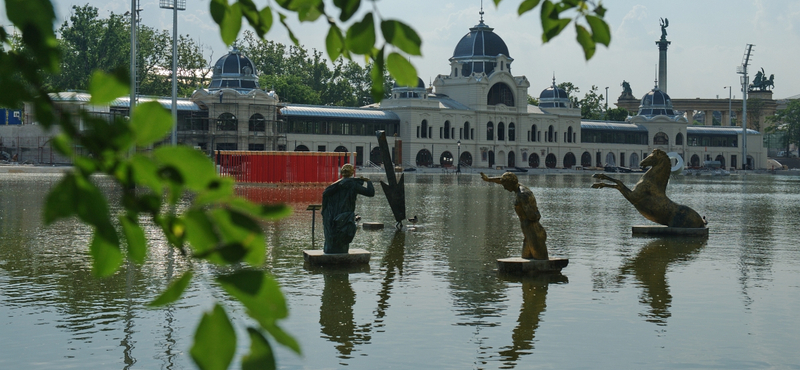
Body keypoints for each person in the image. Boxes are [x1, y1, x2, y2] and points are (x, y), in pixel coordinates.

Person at [481, 172, 548, 260]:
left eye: (505, 185)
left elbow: (531, 216)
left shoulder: (523, 195)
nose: (504, 188)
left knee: (540, 259)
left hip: (533, 230)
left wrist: (536, 214)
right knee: (526, 257)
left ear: (510, 184)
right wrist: (488, 179)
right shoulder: (517, 187)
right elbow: (501, 180)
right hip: (527, 229)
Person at [322, 164, 375, 253]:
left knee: (335, 236)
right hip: (346, 214)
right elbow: (370, 193)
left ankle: (332, 251)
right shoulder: (352, 185)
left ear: (341, 173)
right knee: (343, 237)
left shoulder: (335, 185)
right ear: (352, 173)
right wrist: (369, 181)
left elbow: (325, 196)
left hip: (334, 215)